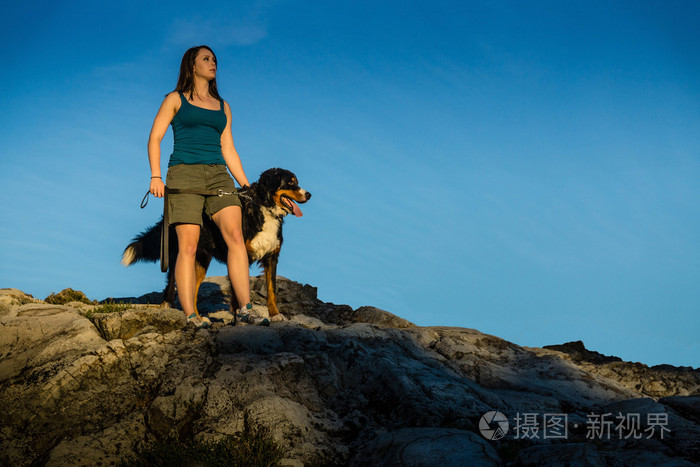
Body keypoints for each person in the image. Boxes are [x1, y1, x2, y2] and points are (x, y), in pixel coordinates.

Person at [147, 45, 253, 327]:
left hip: (219, 175)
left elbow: (229, 149)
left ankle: (245, 308)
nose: (212, 62)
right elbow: (154, 138)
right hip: (184, 175)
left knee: (235, 236)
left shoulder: (223, 106)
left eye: (214, 59)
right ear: (192, 66)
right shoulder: (175, 99)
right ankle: (191, 314)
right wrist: (155, 176)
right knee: (189, 246)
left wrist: (246, 185)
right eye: (206, 58)